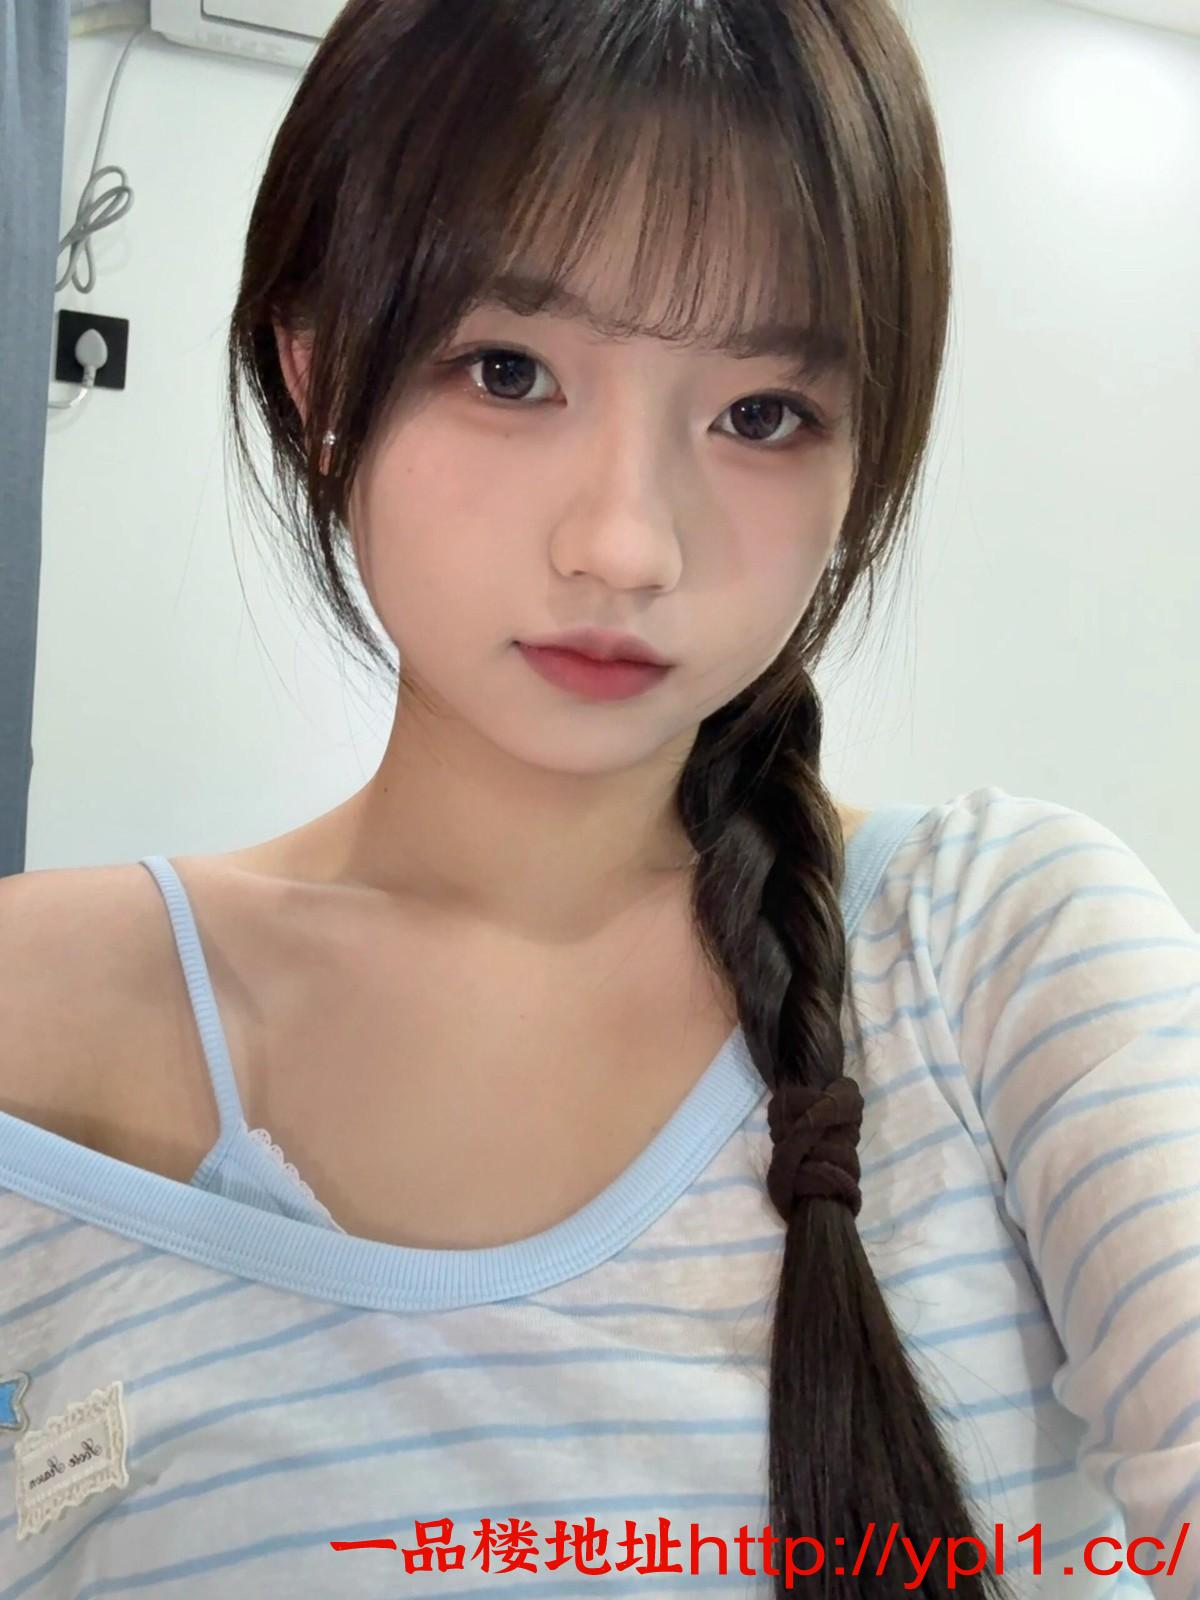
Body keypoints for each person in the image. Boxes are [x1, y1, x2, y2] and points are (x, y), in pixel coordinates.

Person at [0, 0, 1196, 1593]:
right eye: (510, 371)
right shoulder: (33, 1011)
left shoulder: (1002, 951)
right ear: (317, 371)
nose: (627, 545)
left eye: (761, 415)